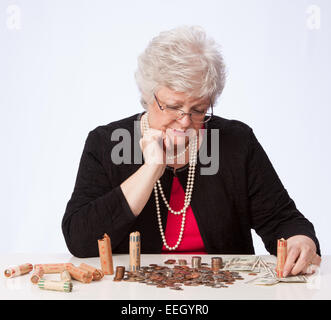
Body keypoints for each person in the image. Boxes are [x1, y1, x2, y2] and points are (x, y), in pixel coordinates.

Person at [62, 25, 321, 277]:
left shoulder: (236, 142)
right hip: (132, 293)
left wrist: (301, 241)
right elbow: (80, 240)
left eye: (198, 110)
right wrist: (151, 169)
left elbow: (282, 220)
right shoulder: (106, 143)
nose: (185, 121)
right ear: (147, 94)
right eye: (174, 106)